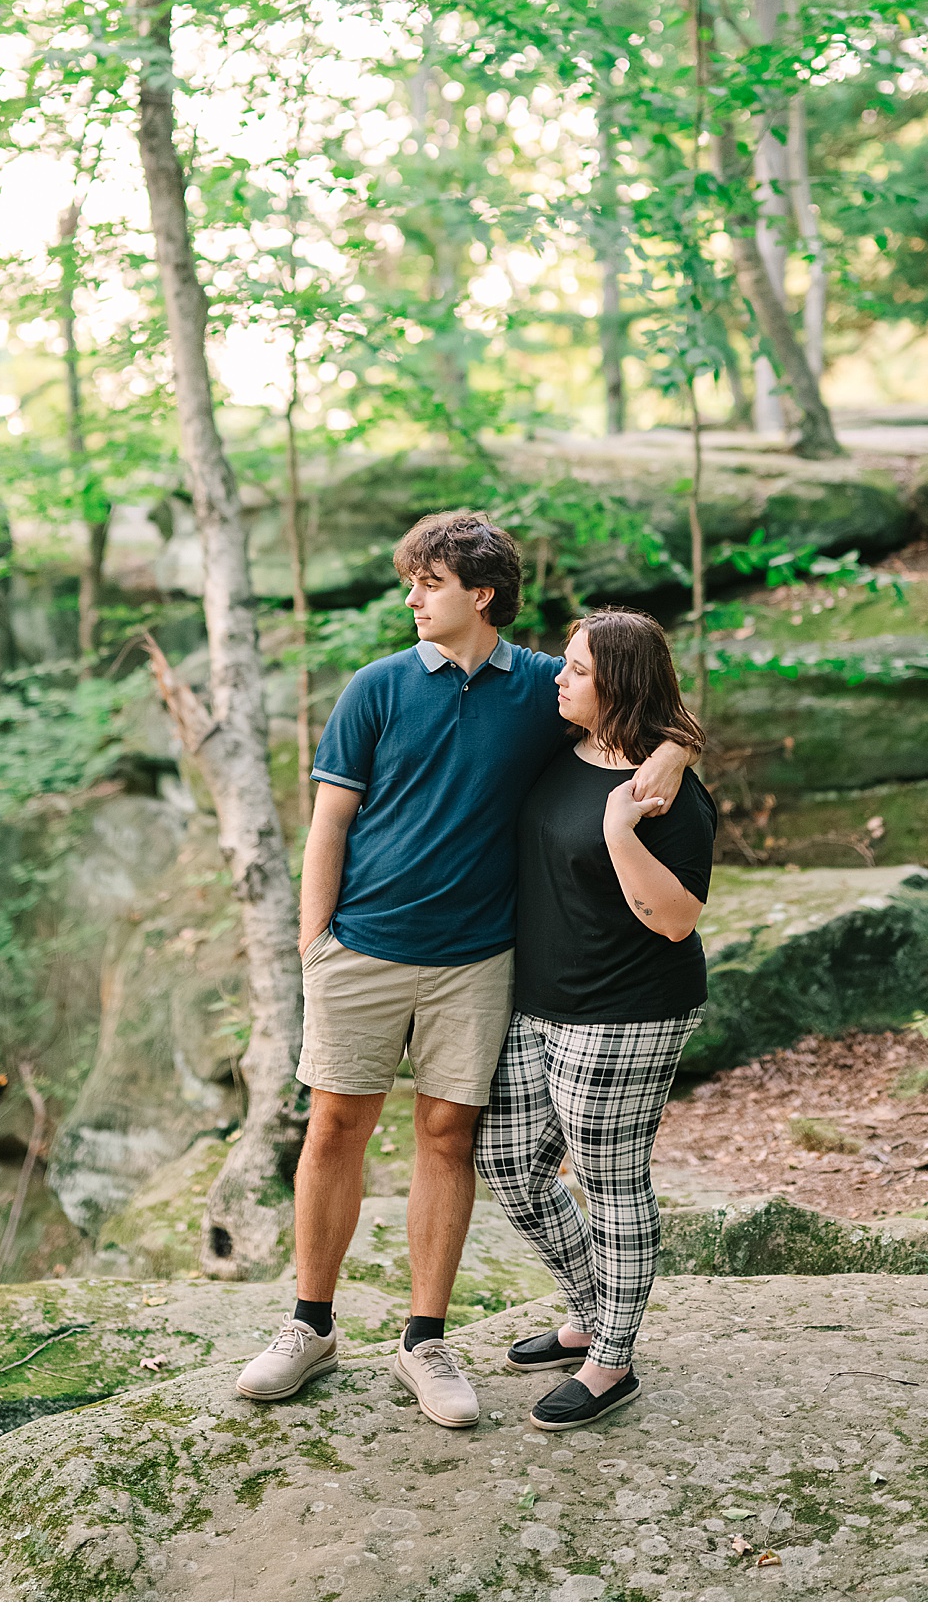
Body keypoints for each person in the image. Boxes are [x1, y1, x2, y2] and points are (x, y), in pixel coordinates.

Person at [234, 513, 696, 1429]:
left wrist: (678, 753)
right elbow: (330, 821)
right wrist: (312, 940)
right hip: (360, 948)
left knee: (450, 1139)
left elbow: (641, 711)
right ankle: (309, 1325)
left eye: (427, 583)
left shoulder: (540, 687)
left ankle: (424, 1338)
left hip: (478, 962)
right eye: (412, 583)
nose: (411, 599)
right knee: (334, 1129)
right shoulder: (375, 688)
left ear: (479, 595)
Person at [475, 607, 715, 1432]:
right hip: (539, 1000)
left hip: (629, 1009)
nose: (559, 677)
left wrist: (620, 828)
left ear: (618, 682)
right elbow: (682, 722)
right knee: (507, 1161)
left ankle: (612, 1359)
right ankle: (587, 1311)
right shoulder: (557, 743)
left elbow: (676, 918)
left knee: (609, 1178)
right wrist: (682, 738)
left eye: (578, 668)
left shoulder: (662, 795)